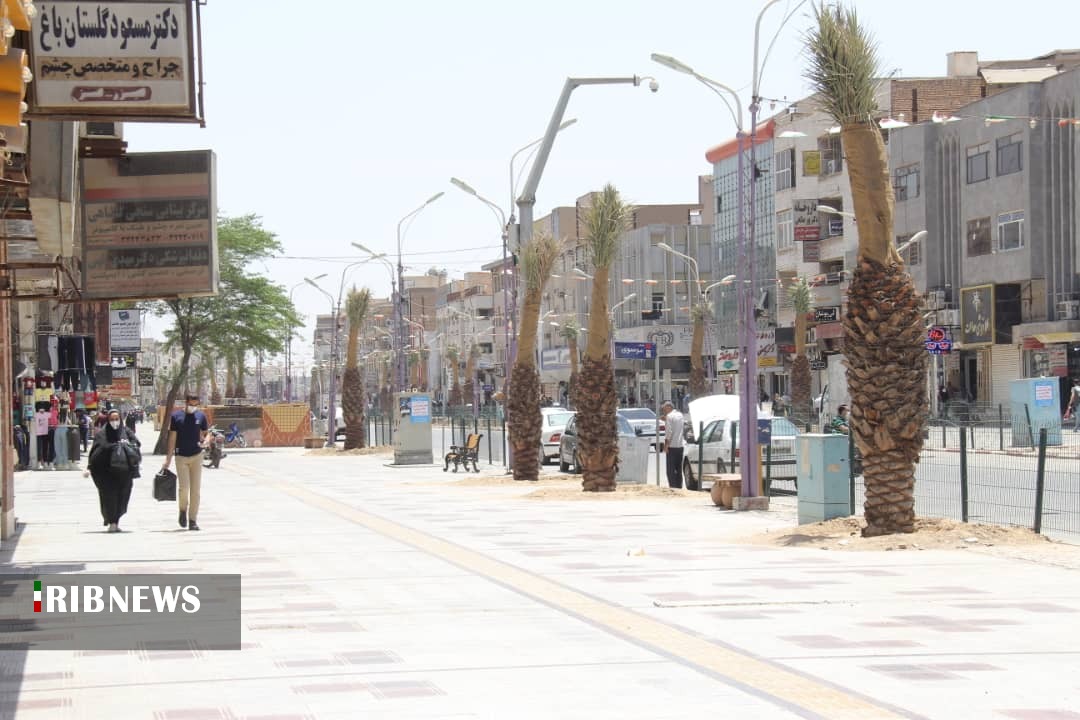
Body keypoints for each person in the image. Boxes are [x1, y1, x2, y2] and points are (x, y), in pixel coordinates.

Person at [87, 409, 140, 533]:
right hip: (107, 472)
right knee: (109, 497)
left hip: (124, 472)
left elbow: (136, 443)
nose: (114, 422)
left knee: (123, 496)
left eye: (117, 419)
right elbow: (96, 450)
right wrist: (111, 447)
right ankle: (112, 522)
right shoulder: (102, 434)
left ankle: (116, 520)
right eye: (112, 419)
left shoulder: (126, 431)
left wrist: (126, 445)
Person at [161, 394, 209, 531]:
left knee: (195, 490)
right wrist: (168, 459)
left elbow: (206, 433)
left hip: (197, 456)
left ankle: (193, 520)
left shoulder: (201, 416)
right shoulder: (176, 417)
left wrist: (206, 441)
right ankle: (182, 510)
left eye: (196, 404)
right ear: (186, 403)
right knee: (184, 488)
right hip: (181, 456)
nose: (193, 407)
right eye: (191, 404)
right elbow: (172, 438)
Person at [661, 401, 685, 489]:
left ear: (669, 407)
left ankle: (673, 487)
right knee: (678, 469)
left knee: (670, 470)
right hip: (680, 445)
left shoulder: (669, 416)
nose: (664, 412)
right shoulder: (680, 415)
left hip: (672, 446)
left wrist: (666, 446)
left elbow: (669, 433)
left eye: (664, 409)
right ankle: (679, 487)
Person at [33, 405, 52, 470]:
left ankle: (44, 462)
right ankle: (40, 462)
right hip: (40, 433)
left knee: (44, 448)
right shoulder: (37, 414)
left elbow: (52, 415)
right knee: (41, 448)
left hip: (44, 432)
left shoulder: (46, 414)